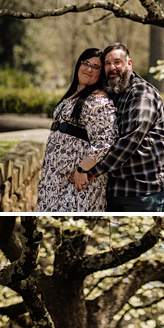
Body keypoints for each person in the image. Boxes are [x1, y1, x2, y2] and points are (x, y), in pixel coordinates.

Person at [69, 42, 164, 211]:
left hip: (148, 189)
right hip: (120, 187)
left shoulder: (141, 94)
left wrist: (89, 171)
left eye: (117, 62)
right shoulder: (114, 92)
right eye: (107, 64)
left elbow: (129, 141)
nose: (112, 67)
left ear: (129, 63)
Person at [35, 47, 117, 211]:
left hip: (76, 184)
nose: (88, 69)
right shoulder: (74, 94)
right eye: (86, 63)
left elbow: (104, 142)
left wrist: (82, 169)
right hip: (55, 178)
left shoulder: (98, 101)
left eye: (95, 67)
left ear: (101, 74)